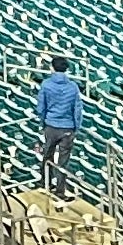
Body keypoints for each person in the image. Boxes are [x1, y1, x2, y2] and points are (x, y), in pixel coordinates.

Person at [35, 50, 86, 188]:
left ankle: (45, 183)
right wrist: (76, 127)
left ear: (52, 68)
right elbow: (77, 110)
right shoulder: (73, 87)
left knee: (48, 155)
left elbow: (41, 107)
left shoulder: (46, 84)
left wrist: (43, 122)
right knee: (63, 161)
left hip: (50, 126)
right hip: (67, 128)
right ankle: (60, 190)